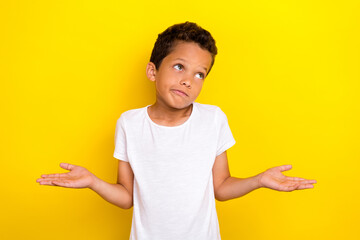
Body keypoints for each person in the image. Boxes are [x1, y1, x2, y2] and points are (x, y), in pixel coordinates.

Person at [36, 22, 317, 240]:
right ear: (153, 71)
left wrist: (259, 180)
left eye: (199, 74)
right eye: (179, 67)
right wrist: (93, 181)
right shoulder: (129, 124)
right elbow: (127, 197)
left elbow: (221, 187)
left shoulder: (213, 119)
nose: (188, 81)